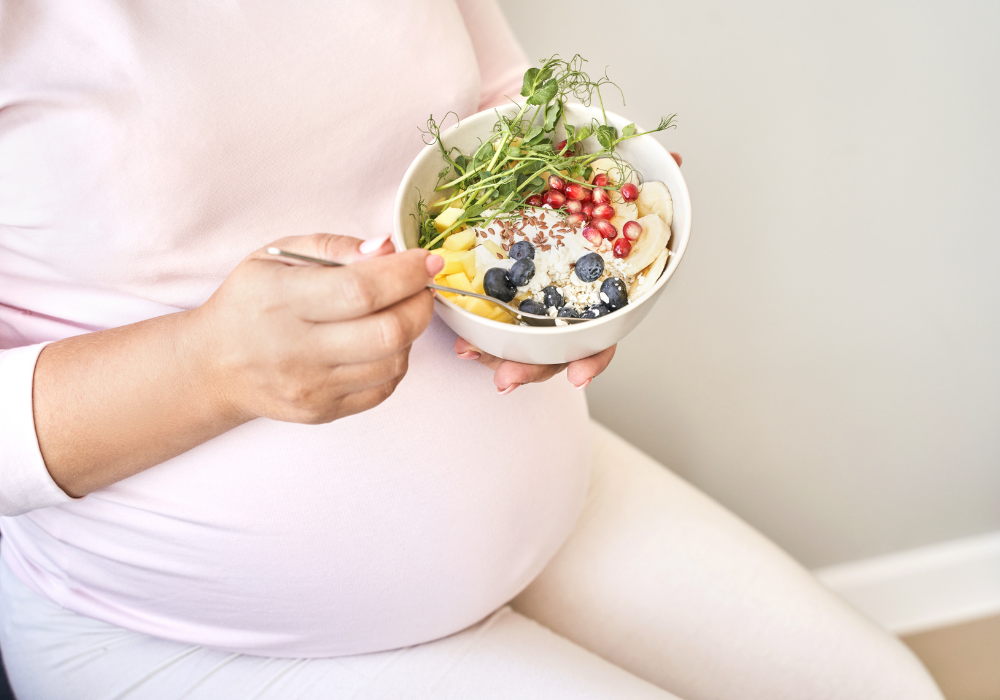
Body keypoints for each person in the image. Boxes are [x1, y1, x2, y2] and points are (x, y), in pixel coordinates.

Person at [0, 1, 942, 698]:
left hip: (544, 497)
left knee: (887, 688)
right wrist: (206, 366)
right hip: (203, 632)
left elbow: (485, 101)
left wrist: (579, 200)